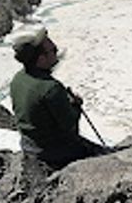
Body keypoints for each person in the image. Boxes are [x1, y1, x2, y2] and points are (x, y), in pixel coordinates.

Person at [9, 27, 107, 169]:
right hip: (55, 153)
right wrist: (75, 106)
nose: (56, 51)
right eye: (53, 50)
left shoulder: (18, 79)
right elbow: (70, 126)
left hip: (30, 146)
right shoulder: (50, 88)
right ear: (41, 59)